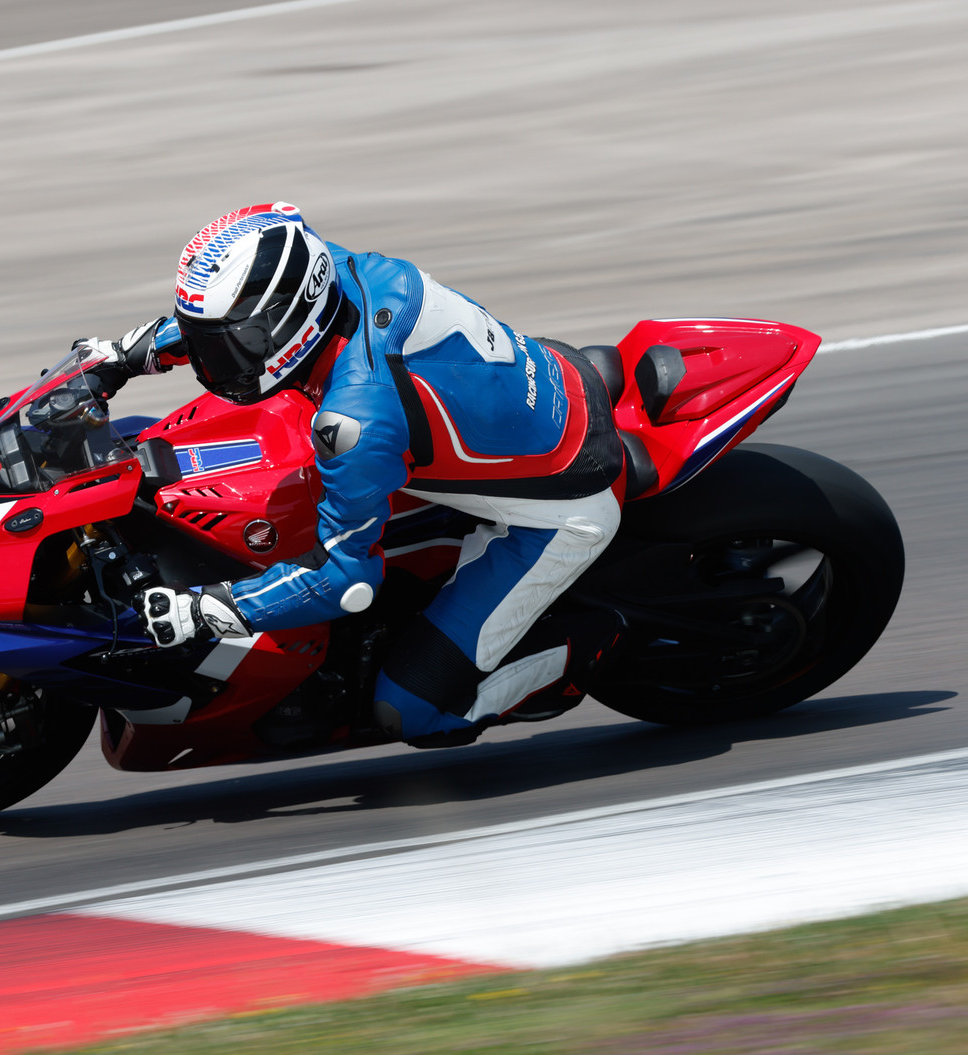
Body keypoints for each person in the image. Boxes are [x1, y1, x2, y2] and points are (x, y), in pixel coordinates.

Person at [80, 202, 625, 748]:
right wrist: (127, 355)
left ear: (287, 324)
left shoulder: (357, 419)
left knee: (408, 712)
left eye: (230, 344)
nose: (213, 361)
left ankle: (589, 646)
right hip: (544, 389)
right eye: (208, 341)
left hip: (564, 506)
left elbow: (347, 581)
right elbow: (245, 317)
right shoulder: (331, 269)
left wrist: (208, 611)